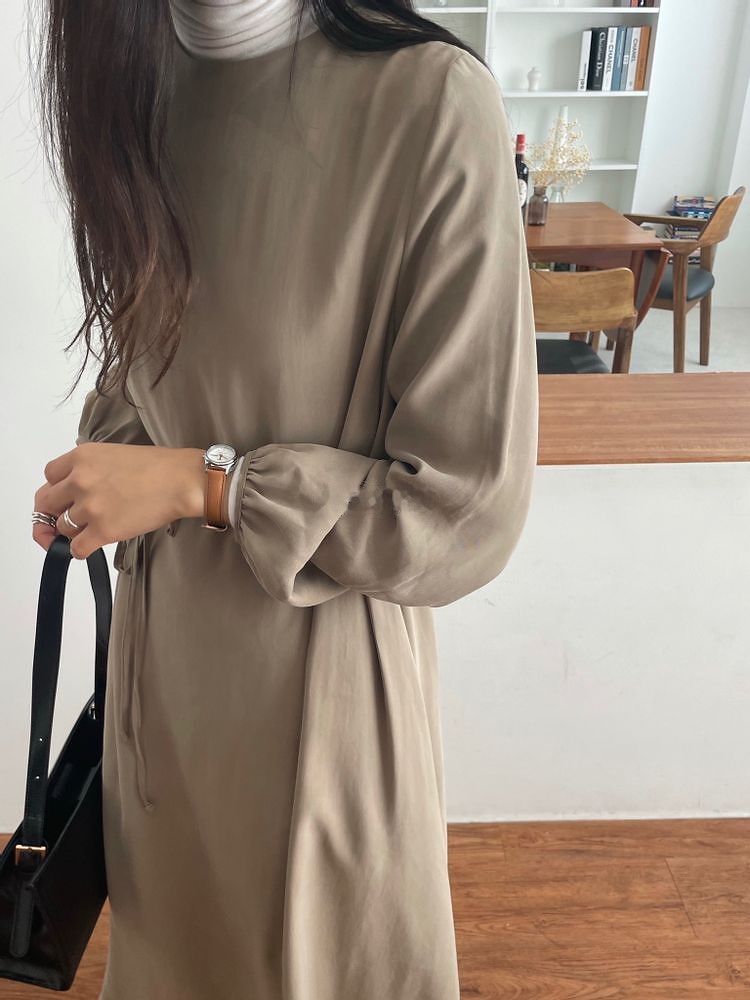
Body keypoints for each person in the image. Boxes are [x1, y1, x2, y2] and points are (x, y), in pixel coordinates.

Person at [30, 0, 538, 996]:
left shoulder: (429, 104)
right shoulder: (133, 82)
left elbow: (466, 507)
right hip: (161, 691)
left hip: (321, 698)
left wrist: (202, 481)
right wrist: (111, 463)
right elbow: (156, 363)